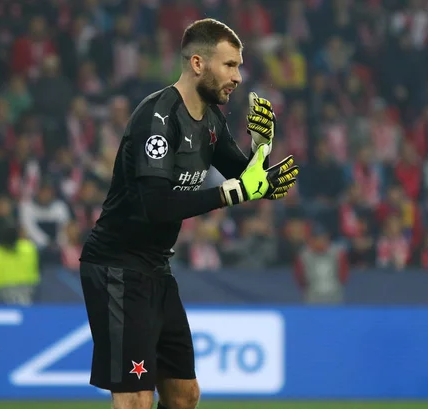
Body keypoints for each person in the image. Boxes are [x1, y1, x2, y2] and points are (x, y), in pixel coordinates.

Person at [78, 18, 299, 409]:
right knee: (136, 400)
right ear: (198, 63)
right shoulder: (158, 118)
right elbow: (157, 206)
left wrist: (262, 149)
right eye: (230, 65)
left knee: (184, 395)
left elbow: (247, 180)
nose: (238, 77)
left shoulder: (211, 119)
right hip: (117, 267)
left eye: (239, 66)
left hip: (155, 267)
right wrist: (235, 192)